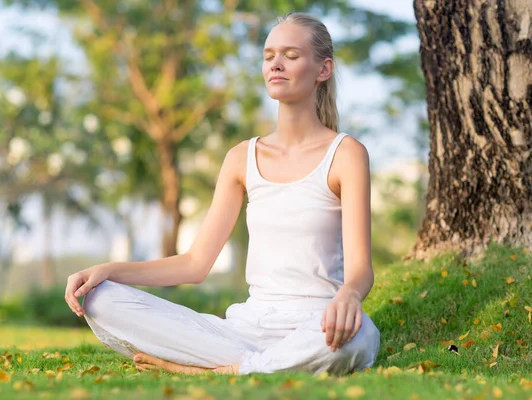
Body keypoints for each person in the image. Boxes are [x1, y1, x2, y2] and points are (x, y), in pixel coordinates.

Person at [64, 11, 380, 376]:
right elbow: (195, 264)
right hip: (244, 330)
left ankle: (215, 371)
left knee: (358, 336)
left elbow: (360, 271)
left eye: (291, 55)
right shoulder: (241, 158)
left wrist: (349, 296)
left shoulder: (346, 154)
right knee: (102, 298)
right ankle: (255, 366)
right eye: (268, 55)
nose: (276, 64)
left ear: (323, 69)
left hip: (318, 325)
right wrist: (107, 270)